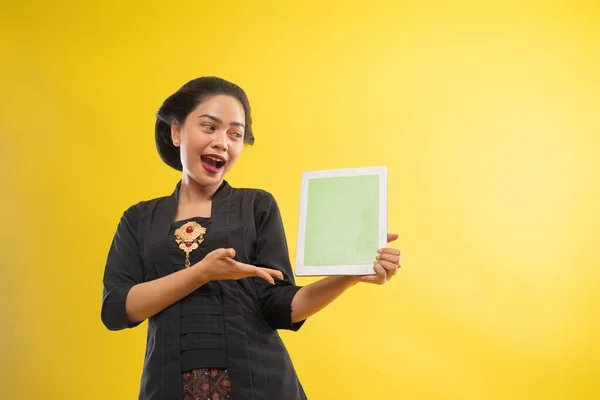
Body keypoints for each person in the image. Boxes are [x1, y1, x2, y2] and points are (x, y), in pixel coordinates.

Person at [100, 76, 401, 400]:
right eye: (209, 127)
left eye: (235, 134)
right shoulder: (138, 219)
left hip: (262, 386)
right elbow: (117, 309)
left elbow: (280, 306)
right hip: (169, 387)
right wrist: (203, 272)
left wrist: (350, 274)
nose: (222, 142)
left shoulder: (257, 205)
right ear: (176, 131)